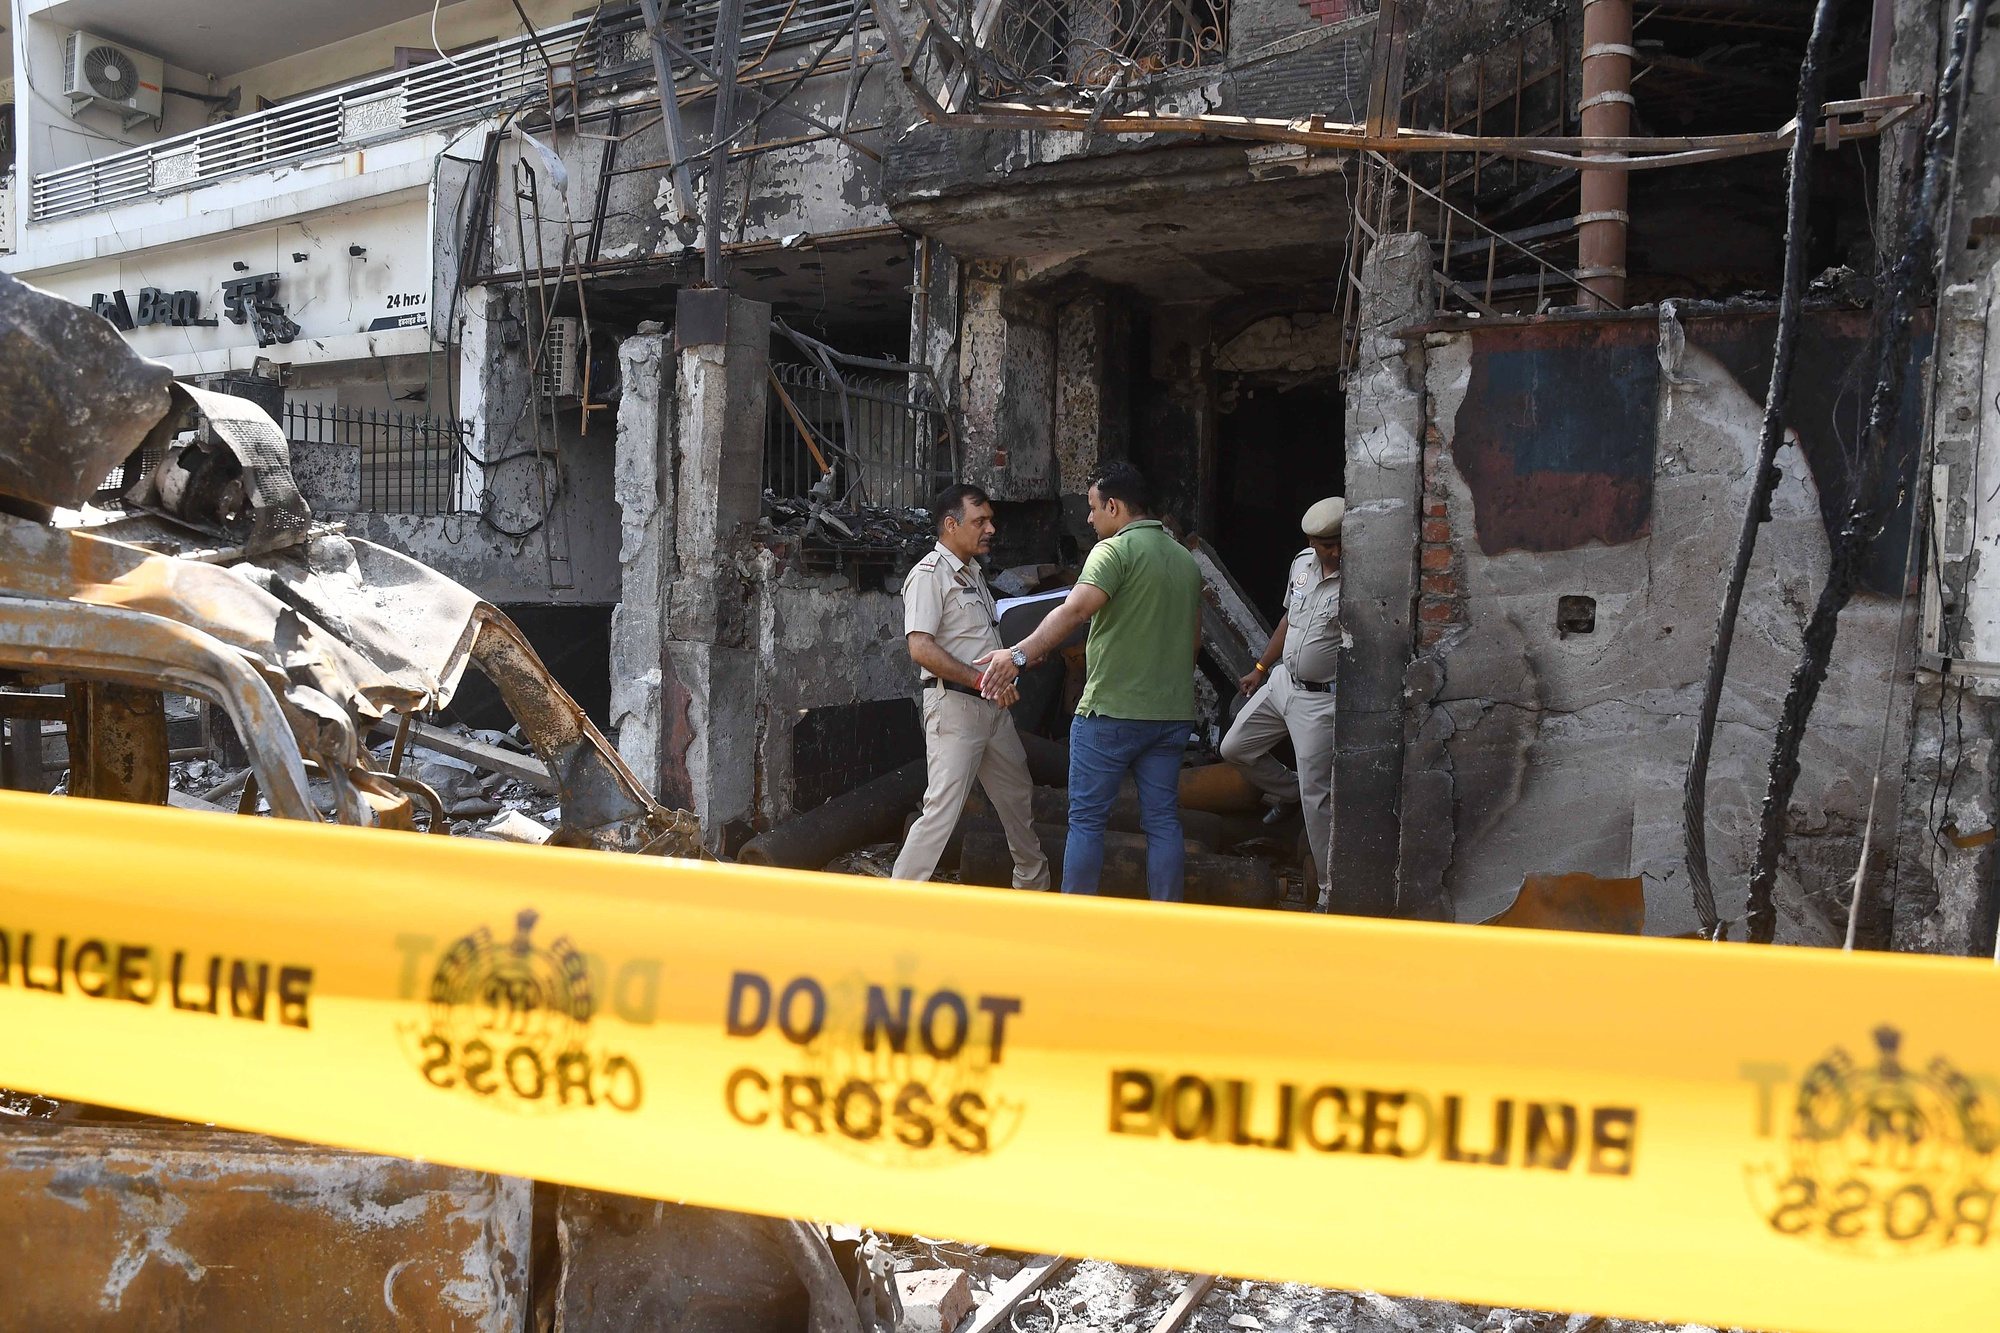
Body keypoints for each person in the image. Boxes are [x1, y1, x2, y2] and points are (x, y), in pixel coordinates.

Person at [976, 464, 1201, 901]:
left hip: (1110, 714)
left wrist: (1017, 654)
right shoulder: (1185, 561)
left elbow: (1075, 611)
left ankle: (1076, 925)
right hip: (1171, 716)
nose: (1089, 518)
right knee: (1162, 822)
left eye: (1094, 508)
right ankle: (1170, 921)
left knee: (1087, 822)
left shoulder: (1112, 552)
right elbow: (1192, 644)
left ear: (1114, 506)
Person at [891, 483, 1050, 890]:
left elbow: (980, 642)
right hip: (955, 708)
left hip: (992, 709)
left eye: (990, 520)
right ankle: (893, 907)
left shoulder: (974, 573)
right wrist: (982, 680)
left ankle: (1033, 891)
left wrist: (1021, 657)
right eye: (980, 520)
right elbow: (920, 648)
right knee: (941, 811)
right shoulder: (928, 575)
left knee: (1018, 799)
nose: (991, 528)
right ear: (951, 524)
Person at [1219, 496, 1346, 912]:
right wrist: (1259, 666)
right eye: (1323, 544)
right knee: (1234, 748)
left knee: (1319, 798)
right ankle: (1287, 791)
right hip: (1281, 684)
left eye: (1335, 542)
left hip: (1319, 701)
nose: (1331, 551)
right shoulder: (1302, 564)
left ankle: (1329, 892)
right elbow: (1288, 620)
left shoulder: (1360, 580)